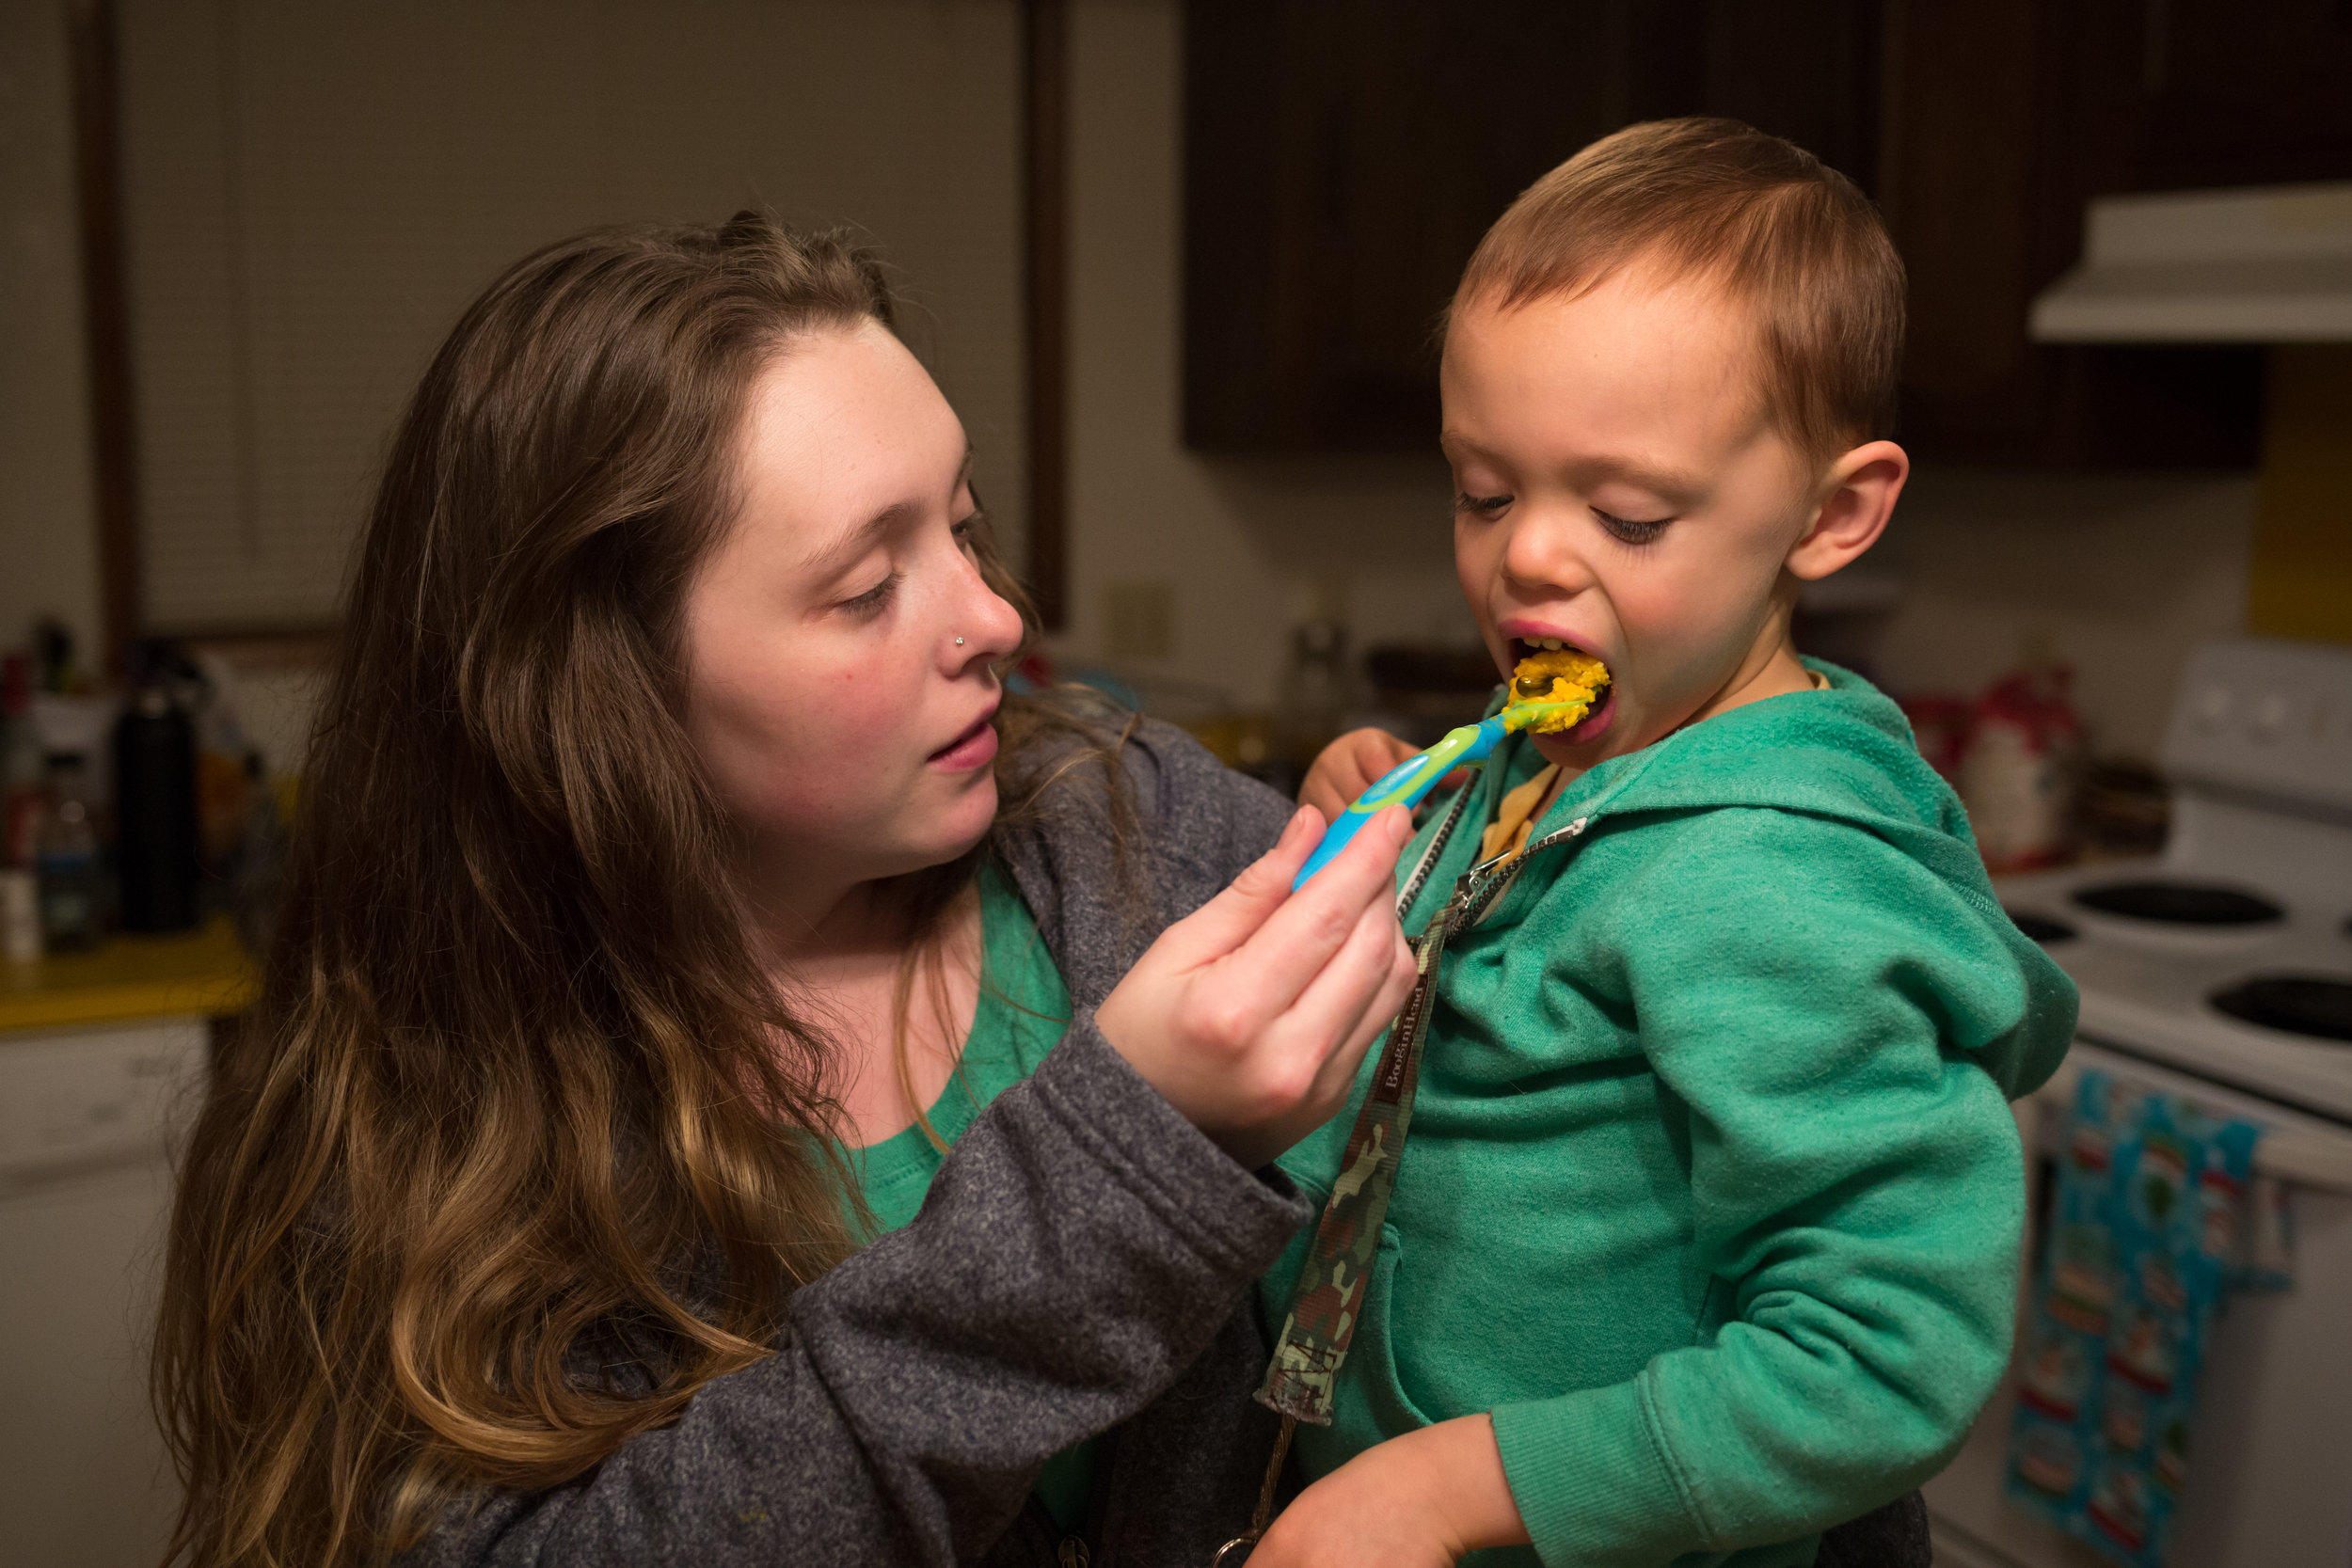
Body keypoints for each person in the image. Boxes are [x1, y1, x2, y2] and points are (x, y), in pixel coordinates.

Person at [152, 214, 1422, 1568]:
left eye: (965, 525)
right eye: (869, 587)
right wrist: (1132, 1163)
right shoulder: (414, 1145)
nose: (995, 618)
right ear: (605, 698)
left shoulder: (1133, 833)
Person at [1256, 120, 2077, 1567]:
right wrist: (1403, 807)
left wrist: (1441, 1490)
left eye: (1626, 513)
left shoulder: (1773, 884)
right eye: (1484, 490)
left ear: (1832, 515)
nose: (1527, 556)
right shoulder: (1569, 745)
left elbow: (1881, 1360)